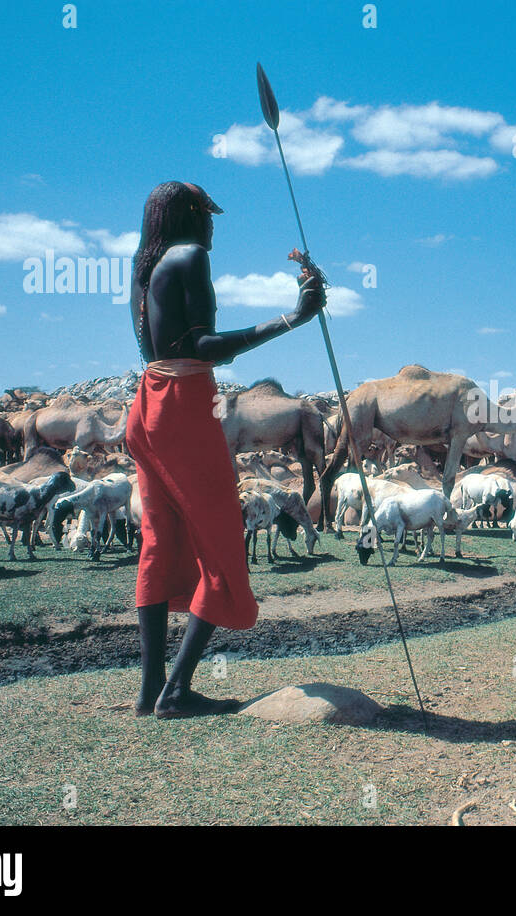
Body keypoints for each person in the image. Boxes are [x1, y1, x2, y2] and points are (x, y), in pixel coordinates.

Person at [126, 181, 325, 718]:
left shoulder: (146, 264)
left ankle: (150, 691)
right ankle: (175, 692)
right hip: (187, 405)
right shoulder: (190, 256)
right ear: (190, 215)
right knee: (221, 542)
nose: (213, 226)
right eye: (207, 214)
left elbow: (165, 345)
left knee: (159, 541)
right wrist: (293, 317)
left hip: (148, 403)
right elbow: (204, 346)